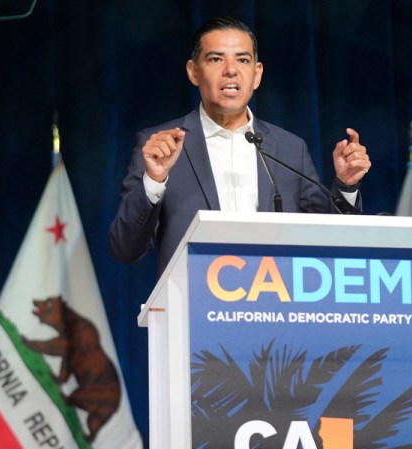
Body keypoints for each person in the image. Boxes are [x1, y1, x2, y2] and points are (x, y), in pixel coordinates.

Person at [109, 16, 372, 275]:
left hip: (276, 302)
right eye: (216, 59)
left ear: (257, 74)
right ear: (193, 72)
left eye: (243, 59)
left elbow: (327, 239)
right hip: (192, 308)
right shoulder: (160, 146)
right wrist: (154, 180)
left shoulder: (289, 148)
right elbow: (125, 249)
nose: (231, 70)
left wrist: (346, 186)